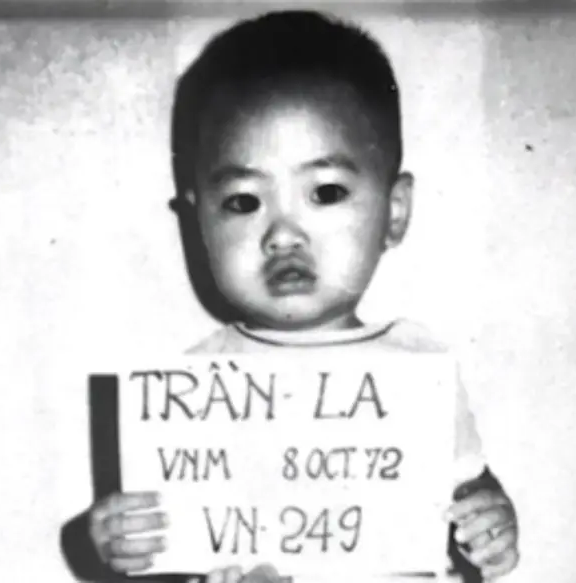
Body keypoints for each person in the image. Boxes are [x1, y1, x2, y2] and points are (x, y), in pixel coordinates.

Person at [62, 10, 519, 583]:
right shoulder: (192, 390)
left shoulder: (418, 371)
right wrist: (115, 541)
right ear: (197, 221)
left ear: (394, 212)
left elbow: (469, 485)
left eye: (325, 192)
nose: (282, 234)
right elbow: (170, 548)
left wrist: (490, 521)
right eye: (243, 201)